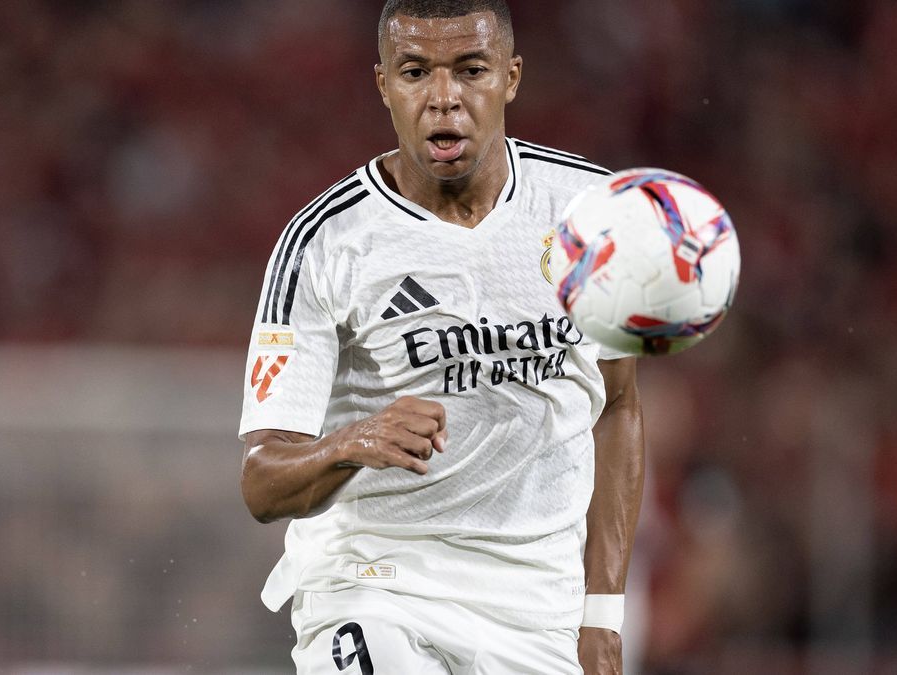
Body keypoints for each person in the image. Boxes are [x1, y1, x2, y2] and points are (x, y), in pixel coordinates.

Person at [240, 1, 645, 672]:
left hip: (536, 606)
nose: (444, 99)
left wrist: (600, 612)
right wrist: (351, 442)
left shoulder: (589, 213)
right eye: (415, 72)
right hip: (376, 584)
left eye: (471, 70)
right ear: (383, 86)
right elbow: (261, 482)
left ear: (511, 77)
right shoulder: (324, 242)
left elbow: (619, 406)